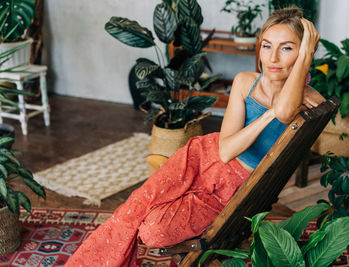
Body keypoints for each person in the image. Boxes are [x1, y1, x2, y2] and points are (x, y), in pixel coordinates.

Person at [66, 7, 325, 267]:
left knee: (151, 230)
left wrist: (304, 61)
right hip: (200, 156)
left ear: (304, 54)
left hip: (231, 190)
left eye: (288, 49)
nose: (274, 58)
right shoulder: (246, 81)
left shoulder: (309, 98)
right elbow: (224, 150)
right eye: (267, 46)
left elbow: (284, 111)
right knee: (131, 212)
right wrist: (270, 113)